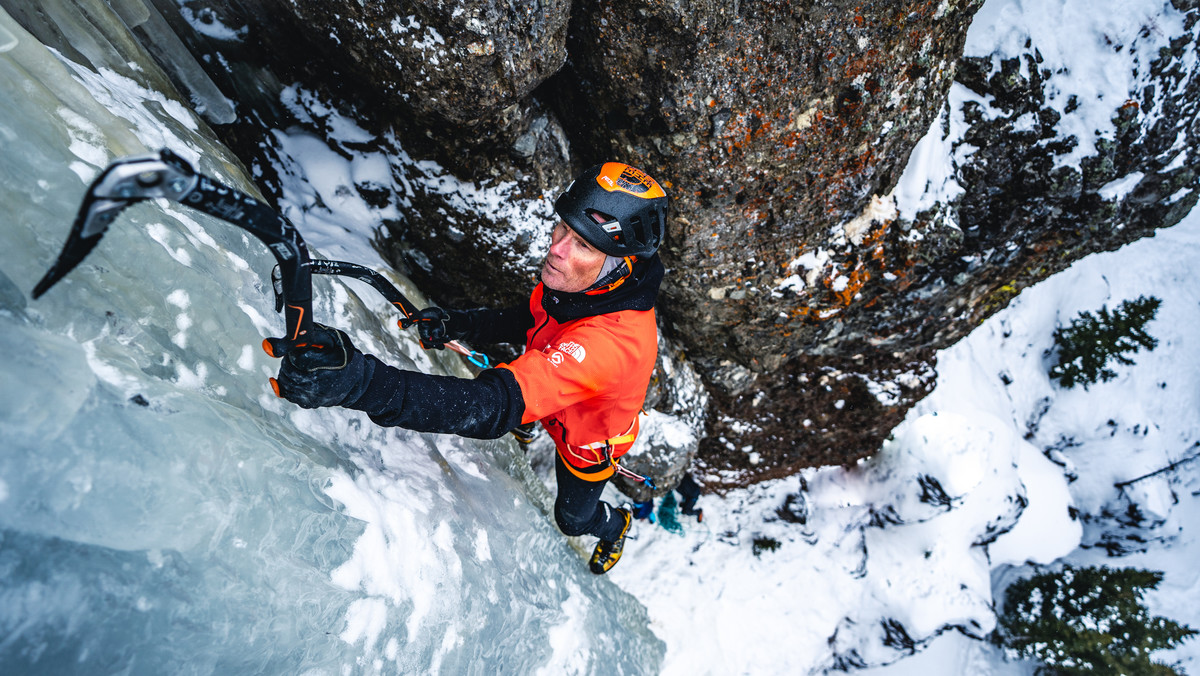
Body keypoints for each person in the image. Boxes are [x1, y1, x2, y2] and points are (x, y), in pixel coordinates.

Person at [265, 162, 669, 575]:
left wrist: (363, 384)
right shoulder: (581, 284)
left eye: (583, 244)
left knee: (572, 520)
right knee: (529, 398)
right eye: (562, 228)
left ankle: (616, 524)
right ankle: (533, 419)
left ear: (623, 265)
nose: (557, 249)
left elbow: (491, 405)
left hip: (586, 439)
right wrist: (459, 324)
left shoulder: (609, 344)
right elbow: (527, 318)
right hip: (560, 387)